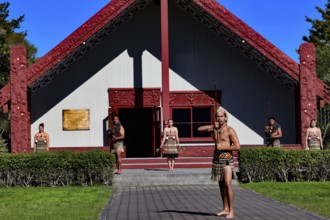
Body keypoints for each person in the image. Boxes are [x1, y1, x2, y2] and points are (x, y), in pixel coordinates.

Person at [198, 108, 240, 219]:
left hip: (227, 159)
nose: (219, 118)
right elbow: (199, 129)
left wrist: (223, 147)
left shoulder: (230, 130)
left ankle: (231, 211)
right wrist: (212, 127)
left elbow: (237, 146)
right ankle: (225, 208)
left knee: (227, 183)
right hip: (217, 160)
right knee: (221, 186)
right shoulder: (215, 129)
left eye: (221, 116)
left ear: (225, 117)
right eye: (217, 116)